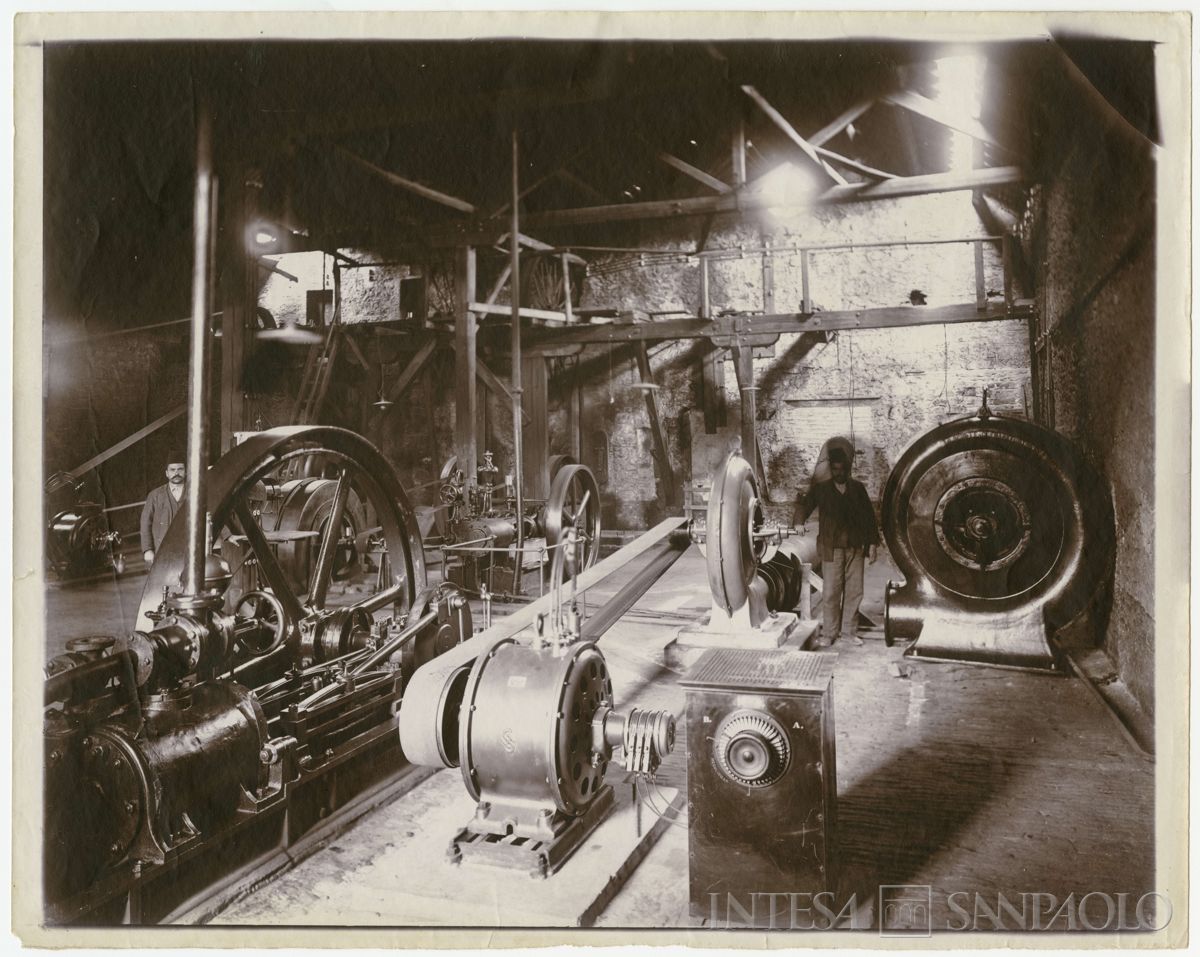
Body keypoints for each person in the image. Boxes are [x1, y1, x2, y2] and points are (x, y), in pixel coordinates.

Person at [793, 446, 879, 647]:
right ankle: (830, 633)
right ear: (831, 469)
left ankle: (849, 632)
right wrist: (798, 522)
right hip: (831, 548)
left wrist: (873, 543)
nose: (839, 473)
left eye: (842, 469)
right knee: (831, 591)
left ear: (848, 469)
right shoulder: (822, 489)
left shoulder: (858, 489)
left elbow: (869, 518)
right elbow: (805, 504)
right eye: (835, 469)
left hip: (855, 547)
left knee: (854, 591)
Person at [140, 452, 186, 565]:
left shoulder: (195, 492)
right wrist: (148, 549)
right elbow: (145, 523)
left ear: (186, 472)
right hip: (162, 551)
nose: (176, 473)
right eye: (172, 470)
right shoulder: (155, 495)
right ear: (167, 473)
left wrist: (227, 535)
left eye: (180, 469)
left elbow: (209, 512)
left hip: (188, 548)